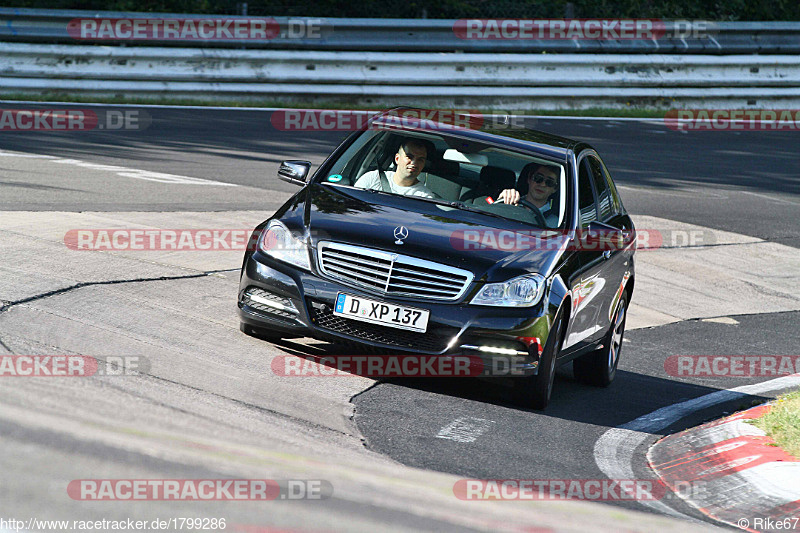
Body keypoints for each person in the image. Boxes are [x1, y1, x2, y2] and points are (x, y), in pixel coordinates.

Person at [354, 139, 436, 198]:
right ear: (397, 159)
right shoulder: (372, 178)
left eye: (420, 159)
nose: (414, 163)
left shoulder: (425, 197)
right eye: (409, 157)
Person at [497, 162, 560, 227]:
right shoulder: (509, 201)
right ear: (529, 179)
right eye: (538, 178)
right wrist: (503, 201)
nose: (542, 184)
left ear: (555, 189)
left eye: (549, 182)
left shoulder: (555, 223)